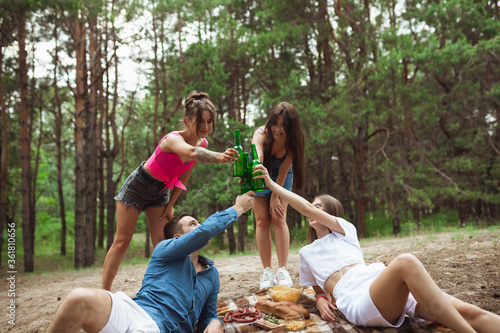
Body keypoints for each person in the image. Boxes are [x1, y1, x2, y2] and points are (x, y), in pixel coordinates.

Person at [252, 164, 500, 332]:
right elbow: (316, 286)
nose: (313, 210)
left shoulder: (345, 231)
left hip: (382, 282)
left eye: (320, 207)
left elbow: (305, 207)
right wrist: (319, 299)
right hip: (359, 299)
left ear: (331, 214)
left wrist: (272, 185)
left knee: (470, 312)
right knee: (406, 262)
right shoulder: (306, 253)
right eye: (313, 206)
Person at [45, 192, 255, 333]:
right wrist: (237, 209)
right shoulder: (165, 250)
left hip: (157, 329)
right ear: (177, 238)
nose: (199, 226)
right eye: (193, 224)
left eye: (198, 223)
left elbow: (207, 317)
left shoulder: (211, 274)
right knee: (79, 298)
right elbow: (205, 231)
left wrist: (215, 323)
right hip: (133, 312)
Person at [102, 91, 239, 291]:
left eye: (210, 122)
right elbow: (192, 153)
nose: (205, 127)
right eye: (201, 121)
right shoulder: (172, 140)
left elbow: (185, 174)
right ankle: (104, 292)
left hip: (162, 192)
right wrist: (219, 157)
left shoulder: (203, 143)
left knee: (164, 245)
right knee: (122, 242)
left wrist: (171, 204)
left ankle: (167, 288)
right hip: (138, 186)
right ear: (188, 120)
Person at [251, 102, 305, 290]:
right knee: (262, 219)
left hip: (282, 174)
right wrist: (255, 168)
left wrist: (275, 196)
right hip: (259, 170)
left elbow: (282, 172)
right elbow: (257, 156)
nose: (278, 129)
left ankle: (282, 270)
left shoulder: (293, 143)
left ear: (291, 127)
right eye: (275, 123)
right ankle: (267, 271)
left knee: (278, 217)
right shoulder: (261, 134)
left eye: (284, 125)